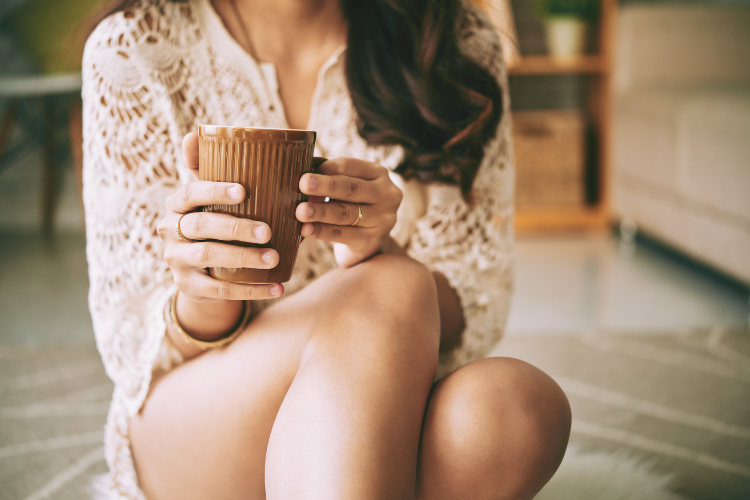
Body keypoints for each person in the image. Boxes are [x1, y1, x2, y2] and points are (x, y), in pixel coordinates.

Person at [82, 0, 571, 498]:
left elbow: (476, 293)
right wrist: (208, 288)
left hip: (387, 401)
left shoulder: (453, 43)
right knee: (392, 284)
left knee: (517, 409)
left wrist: (377, 253)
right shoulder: (135, 46)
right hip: (205, 418)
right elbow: (131, 346)